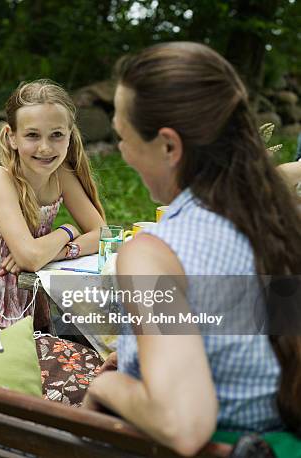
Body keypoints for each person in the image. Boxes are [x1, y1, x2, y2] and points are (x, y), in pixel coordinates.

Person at [81, 42, 301, 455]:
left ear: (168, 145)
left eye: (123, 136)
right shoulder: (279, 220)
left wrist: (108, 383)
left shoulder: (153, 254)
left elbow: (183, 423)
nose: (122, 152)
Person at [0, 79, 107, 330]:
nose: (45, 147)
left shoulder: (61, 176)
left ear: (69, 136)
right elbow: (30, 258)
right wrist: (67, 231)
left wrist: (58, 251)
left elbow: (104, 235)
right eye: (32, 135)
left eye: (56, 135)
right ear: (12, 137)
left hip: (27, 298)